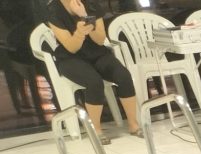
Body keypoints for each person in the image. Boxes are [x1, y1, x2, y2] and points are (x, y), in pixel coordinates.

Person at [46, 0, 142, 143]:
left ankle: (134, 125)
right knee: (94, 82)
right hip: (70, 58)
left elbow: (100, 39)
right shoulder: (53, 9)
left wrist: (85, 16)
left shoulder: (91, 3)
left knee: (123, 76)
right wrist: (80, 32)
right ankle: (96, 130)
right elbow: (72, 47)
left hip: (97, 52)